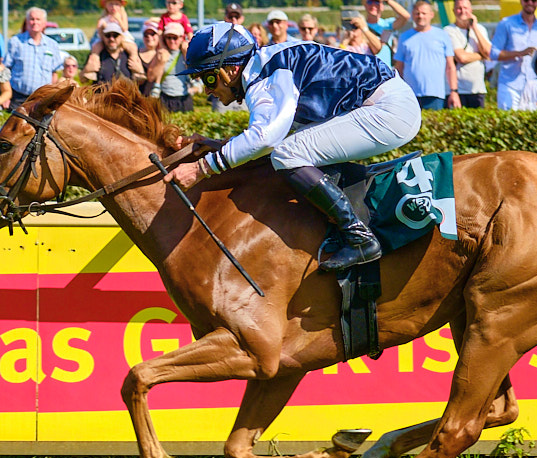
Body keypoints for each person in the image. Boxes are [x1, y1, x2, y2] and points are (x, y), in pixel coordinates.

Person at [166, 21, 421, 272]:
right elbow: (269, 136)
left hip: (389, 109)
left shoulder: (266, 76)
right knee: (289, 149)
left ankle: (358, 237)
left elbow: (265, 138)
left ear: (230, 69)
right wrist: (219, 145)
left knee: (288, 154)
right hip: (384, 102)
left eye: (208, 78)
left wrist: (201, 169)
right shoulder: (265, 66)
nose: (207, 90)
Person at [393, 1, 460, 110]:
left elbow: (450, 67)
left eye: (424, 13)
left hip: (435, 94)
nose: (420, 16)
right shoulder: (404, 37)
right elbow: (399, 67)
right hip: (410, 94)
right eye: (417, 13)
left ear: (431, 15)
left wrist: (454, 91)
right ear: (413, 15)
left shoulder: (442, 36)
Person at [4, 7, 65, 106]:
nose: (35, 22)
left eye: (38, 19)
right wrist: (7, 95)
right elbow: (6, 70)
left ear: (44, 23)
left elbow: (54, 73)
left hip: (42, 98)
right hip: (18, 97)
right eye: (32, 19)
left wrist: (51, 94)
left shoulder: (52, 45)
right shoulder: (16, 42)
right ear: (27, 22)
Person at [448, 0, 493, 108]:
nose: (463, 11)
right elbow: (461, 57)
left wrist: (475, 28)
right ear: (453, 11)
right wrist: (480, 55)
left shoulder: (480, 29)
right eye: (459, 8)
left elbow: (489, 53)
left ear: (471, 10)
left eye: (465, 8)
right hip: (460, 90)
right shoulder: (449, 31)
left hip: (478, 89)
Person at [146, 22, 193, 113]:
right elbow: (151, 77)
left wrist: (186, 55)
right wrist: (161, 63)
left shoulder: (186, 53)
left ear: (181, 38)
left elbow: (196, 76)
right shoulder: (161, 53)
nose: (172, 41)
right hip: (165, 98)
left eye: (175, 38)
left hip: (184, 98)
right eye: (168, 37)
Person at [91, 22, 146, 90]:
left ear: (121, 37)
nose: (112, 39)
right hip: (102, 98)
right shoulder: (98, 54)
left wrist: (140, 71)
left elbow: (142, 82)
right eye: (108, 35)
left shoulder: (129, 54)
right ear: (103, 37)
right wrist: (88, 69)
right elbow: (83, 79)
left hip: (125, 98)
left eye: (115, 35)